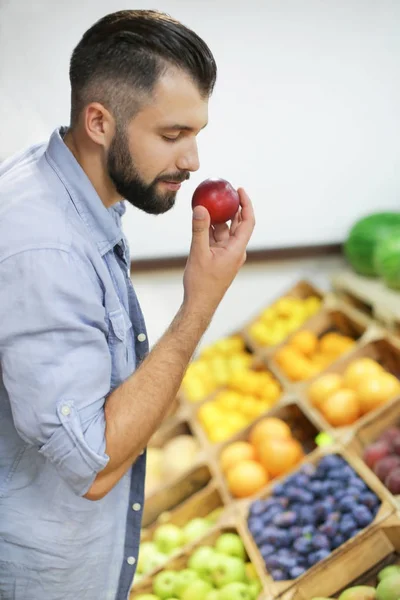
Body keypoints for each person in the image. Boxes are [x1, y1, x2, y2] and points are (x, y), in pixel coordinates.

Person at [0, 9, 255, 600]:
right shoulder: (47, 248)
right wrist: (201, 305)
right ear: (99, 122)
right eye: (172, 136)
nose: (192, 162)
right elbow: (93, 464)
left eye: (196, 135)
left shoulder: (71, 191)